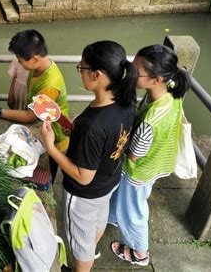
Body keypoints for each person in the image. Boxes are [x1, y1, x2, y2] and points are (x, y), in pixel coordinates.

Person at [40, 41, 137, 272]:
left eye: (81, 68)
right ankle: (91, 250)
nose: (80, 72)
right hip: (108, 182)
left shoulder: (93, 125)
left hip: (84, 194)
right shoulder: (126, 103)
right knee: (97, 222)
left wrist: (51, 147)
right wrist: (76, 131)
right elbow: (108, 141)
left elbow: (83, 177)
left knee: (80, 246)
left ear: (97, 75)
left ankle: (82, 266)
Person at [109, 44, 190, 267]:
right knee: (127, 202)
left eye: (136, 71)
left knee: (134, 212)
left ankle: (140, 253)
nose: (131, 73)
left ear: (156, 79)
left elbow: (134, 156)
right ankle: (115, 218)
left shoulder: (149, 122)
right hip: (158, 161)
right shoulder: (171, 94)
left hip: (140, 171)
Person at [0, 29, 70, 180]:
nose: (19, 63)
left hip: (56, 133)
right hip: (45, 125)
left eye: (20, 59)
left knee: (50, 167)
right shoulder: (40, 67)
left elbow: (30, 116)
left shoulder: (48, 85)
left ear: (35, 59)